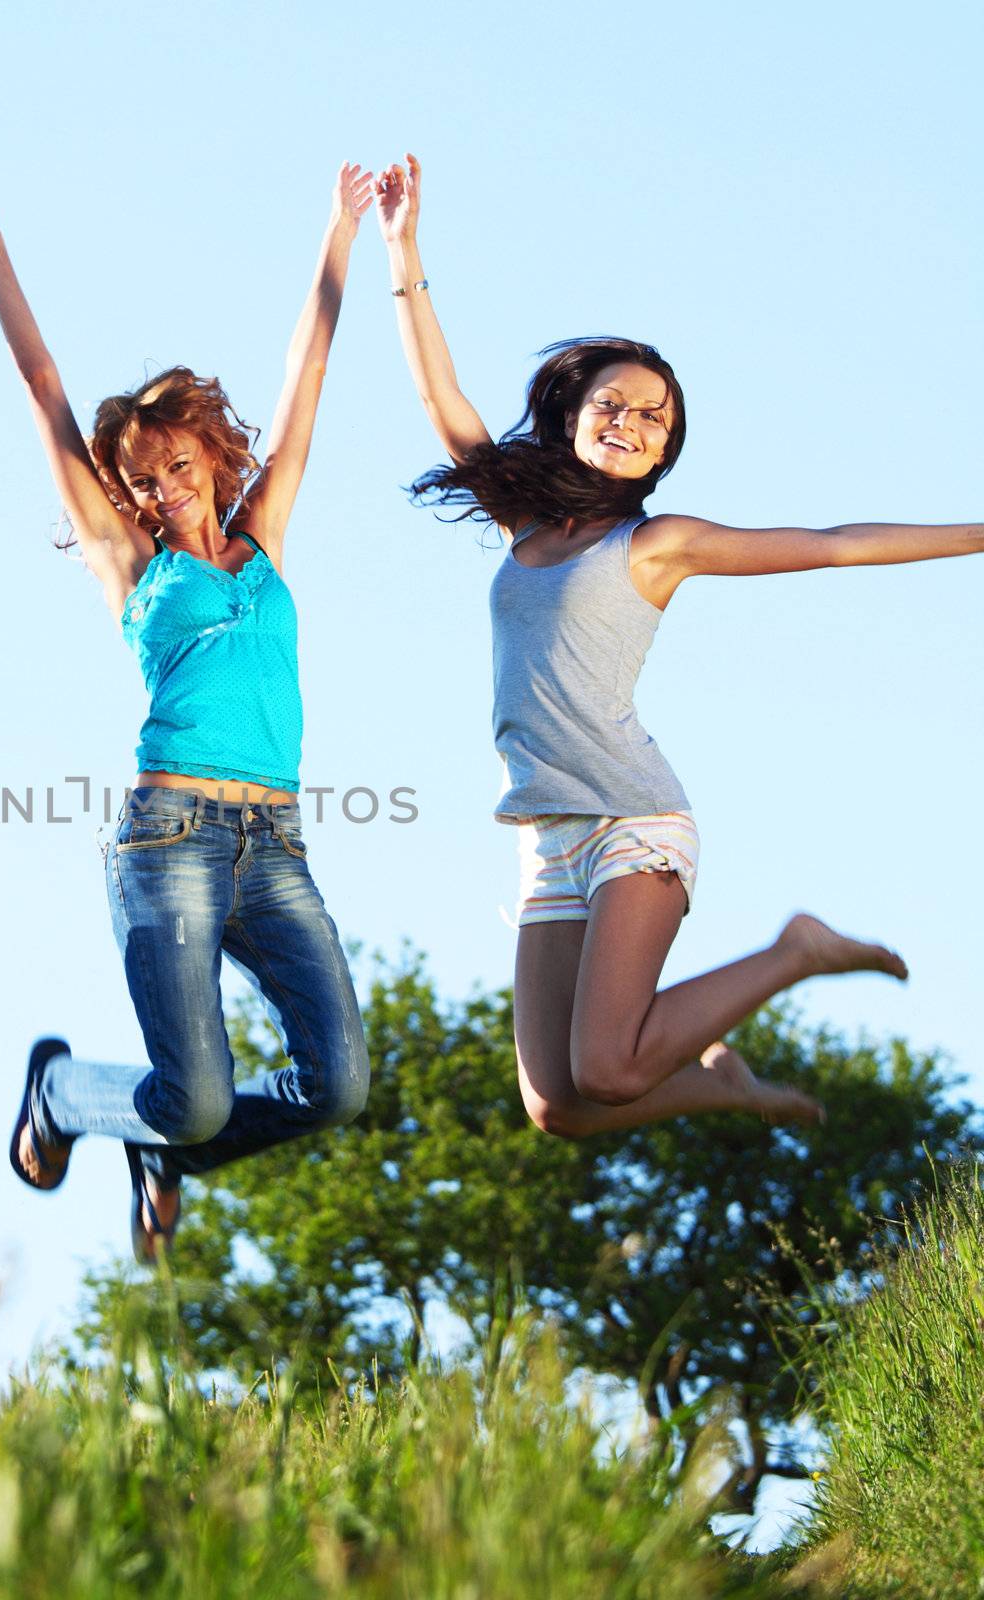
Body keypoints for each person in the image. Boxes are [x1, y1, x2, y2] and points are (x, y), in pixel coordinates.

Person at [377, 152, 978, 1139]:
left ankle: (795, 950)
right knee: (559, 1105)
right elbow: (442, 399)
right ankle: (726, 1085)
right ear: (569, 415)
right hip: (545, 834)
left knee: (607, 1065)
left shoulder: (653, 545)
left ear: (663, 452)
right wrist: (403, 251)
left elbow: (831, 546)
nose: (630, 422)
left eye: (653, 418)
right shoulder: (520, 524)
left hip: (631, 818)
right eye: (612, 404)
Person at [0, 160, 374, 1258]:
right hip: (167, 841)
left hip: (275, 845)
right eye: (142, 477)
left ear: (212, 457)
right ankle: (65, 1094)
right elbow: (40, 385)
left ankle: (155, 1143)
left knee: (339, 1085)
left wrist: (341, 231)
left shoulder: (263, 540)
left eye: (176, 465)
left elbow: (308, 367)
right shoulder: (133, 568)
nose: (164, 486)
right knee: (201, 1095)